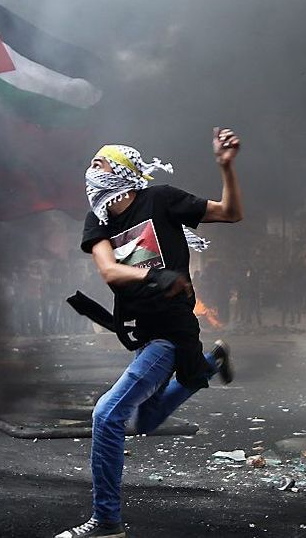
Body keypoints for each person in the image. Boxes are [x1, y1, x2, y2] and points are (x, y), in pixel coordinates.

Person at [56, 128, 243, 538]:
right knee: (144, 419)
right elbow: (109, 271)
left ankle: (106, 522)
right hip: (139, 332)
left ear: (122, 171)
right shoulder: (98, 219)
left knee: (107, 414)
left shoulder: (159, 199)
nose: (91, 170)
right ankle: (211, 364)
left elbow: (229, 213)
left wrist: (225, 168)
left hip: (170, 332)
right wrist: (158, 276)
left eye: (99, 163)